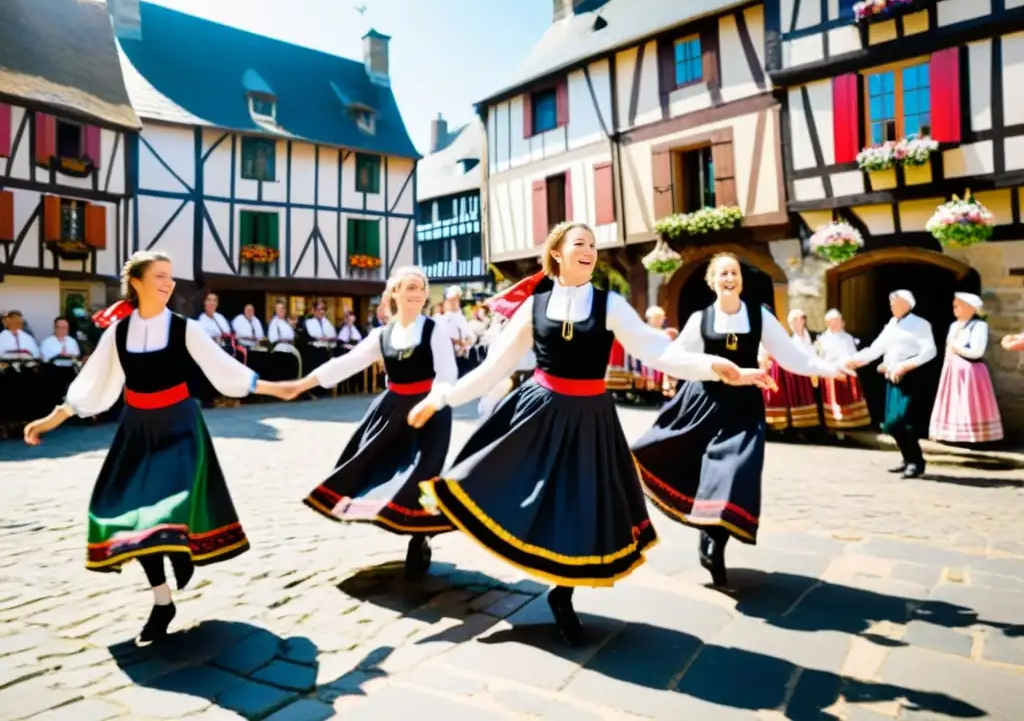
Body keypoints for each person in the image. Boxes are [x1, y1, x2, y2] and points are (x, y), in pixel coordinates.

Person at [406, 223, 748, 646]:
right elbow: (492, 368)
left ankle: (562, 596)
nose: (589, 250)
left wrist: (714, 365)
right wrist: (440, 399)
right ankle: (440, 530)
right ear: (558, 253)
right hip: (539, 413)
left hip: (590, 419)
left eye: (593, 245)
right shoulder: (534, 307)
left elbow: (658, 350)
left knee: (583, 506)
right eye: (579, 244)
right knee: (499, 484)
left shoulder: (610, 304)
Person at [22, 251, 290, 643]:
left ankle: (180, 550)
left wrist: (275, 387)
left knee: (170, 505)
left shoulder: (185, 328)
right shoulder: (118, 333)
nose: (169, 283)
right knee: (131, 514)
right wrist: (52, 418)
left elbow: (224, 369)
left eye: (171, 277)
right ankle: (162, 601)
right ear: (137, 282)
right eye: (160, 276)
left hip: (180, 427)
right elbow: (93, 384)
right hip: (137, 430)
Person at [631, 253, 848, 588]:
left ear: (741, 281)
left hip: (744, 408)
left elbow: (791, 355)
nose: (729, 277)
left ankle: (715, 540)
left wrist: (828, 368)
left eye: (734, 272)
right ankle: (708, 531)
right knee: (693, 468)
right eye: (722, 273)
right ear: (712, 281)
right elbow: (674, 359)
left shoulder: (758, 315)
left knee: (734, 474)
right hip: (703, 402)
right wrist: (718, 367)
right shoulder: (701, 319)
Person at [271, 267, 458, 579]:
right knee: (375, 465)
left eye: (421, 288)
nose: (417, 292)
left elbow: (447, 373)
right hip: (393, 409)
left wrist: (433, 401)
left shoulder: (434, 330)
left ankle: (419, 537)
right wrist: (302, 384)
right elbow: (347, 363)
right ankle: (389, 515)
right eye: (410, 286)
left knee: (422, 474)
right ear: (395, 292)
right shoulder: (382, 335)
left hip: (429, 410)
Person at [846, 289, 937, 479]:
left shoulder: (920, 324)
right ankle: (908, 459)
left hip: (910, 377)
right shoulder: (892, 324)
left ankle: (916, 462)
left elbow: (930, 351)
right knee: (890, 424)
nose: (891, 305)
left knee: (901, 421)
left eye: (894, 302)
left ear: (906, 304)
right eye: (890, 302)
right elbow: (876, 348)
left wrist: (904, 366)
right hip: (892, 376)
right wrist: (855, 359)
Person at [929, 293, 1003, 444]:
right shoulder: (954, 325)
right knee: (954, 403)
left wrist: (956, 347)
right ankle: (952, 435)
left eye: (958, 306)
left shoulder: (979, 326)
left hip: (971, 373)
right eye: (954, 306)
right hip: (952, 372)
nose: (954, 309)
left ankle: (974, 437)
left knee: (970, 404)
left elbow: (977, 351)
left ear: (970, 308)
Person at [816, 309, 871, 432]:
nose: (837, 323)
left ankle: (851, 426)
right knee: (834, 401)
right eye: (833, 321)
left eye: (838, 320)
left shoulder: (847, 338)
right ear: (828, 323)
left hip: (847, 371)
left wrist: (852, 361)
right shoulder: (822, 339)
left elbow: (853, 354)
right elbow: (821, 358)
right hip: (831, 373)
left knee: (851, 397)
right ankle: (835, 427)